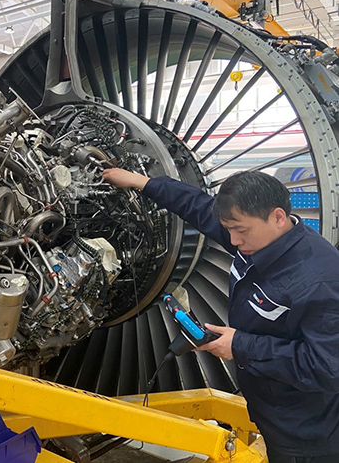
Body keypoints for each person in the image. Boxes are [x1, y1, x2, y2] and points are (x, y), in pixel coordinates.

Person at [101, 168, 339, 463]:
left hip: (306, 433)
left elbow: (329, 368)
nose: (233, 240)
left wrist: (239, 345)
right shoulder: (255, 236)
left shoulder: (320, 281)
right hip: (270, 405)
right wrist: (143, 183)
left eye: (240, 231)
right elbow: (197, 206)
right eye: (229, 229)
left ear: (278, 217)